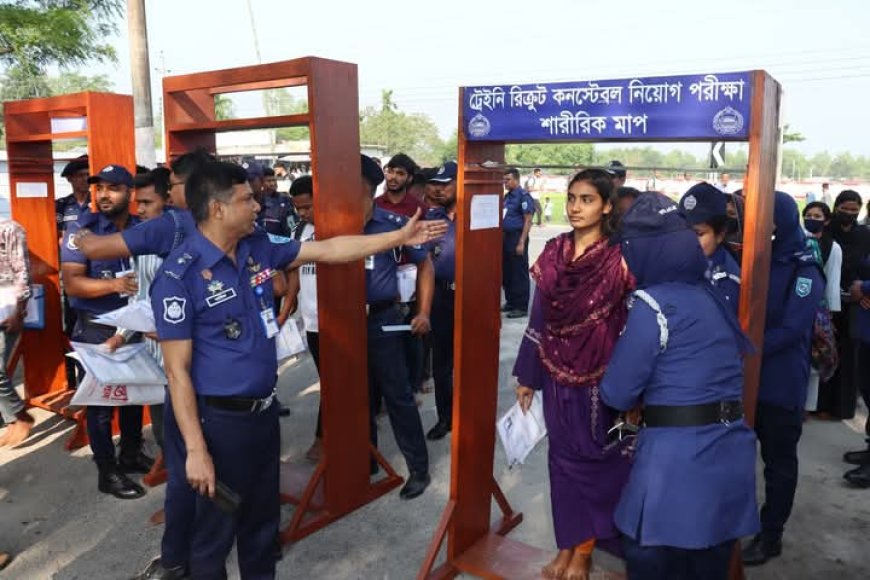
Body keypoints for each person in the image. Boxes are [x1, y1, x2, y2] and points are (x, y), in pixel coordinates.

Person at [150, 159, 443, 578]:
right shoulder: (179, 276)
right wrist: (196, 451)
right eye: (247, 199)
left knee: (261, 524)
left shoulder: (257, 246)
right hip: (216, 423)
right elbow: (177, 373)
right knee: (212, 534)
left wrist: (397, 237)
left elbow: (330, 250)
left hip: (263, 414)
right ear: (217, 208)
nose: (257, 205)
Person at [600, 191, 759, 580]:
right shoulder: (708, 292)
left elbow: (617, 392)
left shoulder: (653, 304)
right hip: (728, 451)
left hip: (676, 461)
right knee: (707, 563)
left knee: (651, 557)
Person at [514, 169, 633, 580]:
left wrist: (635, 387)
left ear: (607, 206)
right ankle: (567, 545)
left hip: (600, 374)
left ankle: (584, 552)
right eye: (572, 198)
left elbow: (633, 320)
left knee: (594, 461)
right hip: (553, 370)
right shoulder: (554, 251)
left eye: (587, 199)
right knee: (560, 461)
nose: (575, 207)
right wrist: (527, 375)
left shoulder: (619, 258)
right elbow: (539, 315)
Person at [742, 192, 825, 567]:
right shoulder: (753, 256)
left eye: (767, 218)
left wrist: (742, 348)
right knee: (734, 456)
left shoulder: (804, 268)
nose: (760, 225)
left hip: (779, 382)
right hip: (744, 380)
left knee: (778, 463)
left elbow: (793, 328)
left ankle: (770, 535)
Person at [61, 164, 153, 499]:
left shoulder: (143, 227)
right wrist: (114, 285)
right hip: (97, 329)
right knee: (101, 404)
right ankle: (107, 470)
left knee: (132, 396)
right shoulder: (82, 231)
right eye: (99, 188)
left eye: (113, 188)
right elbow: (72, 283)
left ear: (130, 192)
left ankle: (130, 453)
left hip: (135, 326)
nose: (103, 195)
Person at [361, 156, 433, 498]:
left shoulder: (394, 224)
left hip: (382, 319)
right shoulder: (330, 225)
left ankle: (418, 468)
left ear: (366, 188)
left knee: (398, 396)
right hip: (342, 321)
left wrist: (424, 312)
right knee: (355, 396)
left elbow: (425, 265)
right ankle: (366, 461)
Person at [817, 190, 870, 420]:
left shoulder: (865, 235)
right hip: (827, 301)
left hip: (855, 304)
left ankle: (841, 407)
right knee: (825, 350)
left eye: (853, 210)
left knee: (849, 357)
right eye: (844, 209)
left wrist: (864, 291)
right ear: (836, 208)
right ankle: (820, 404)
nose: (849, 214)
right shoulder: (826, 231)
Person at [424, 163, 458, 441]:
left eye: (445, 184)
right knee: (442, 363)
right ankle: (445, 417)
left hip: (470, 296)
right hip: (440, 296)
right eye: (435, 184)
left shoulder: (478, 215)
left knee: (471, 361)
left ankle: (468, 416)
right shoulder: (431, 218)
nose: (438, 189)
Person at [801, 201, 842, 414]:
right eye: (809, 215)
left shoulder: (833, 247)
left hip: (819, 308)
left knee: (816, 356)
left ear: (826, 221)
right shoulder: (797, 241)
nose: (812, 219)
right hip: (798, 304)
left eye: (817, 216)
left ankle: (808, 407)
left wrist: (829, 313)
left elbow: (833, 281)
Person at [679, 183, 741, 313]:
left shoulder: (725, 282)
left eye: (698, 234)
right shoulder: (681, 261)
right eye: (683, 231)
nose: (688, 240)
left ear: (720, 235)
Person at [0, 218, 34, 447]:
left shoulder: (10, 229)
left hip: (7, 306)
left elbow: (22, 271)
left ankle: (21, 416)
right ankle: (12, 421)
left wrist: (19, 311)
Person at [502, 167, 534, 318]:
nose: (505, 182)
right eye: (504, 180)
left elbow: (528, 220)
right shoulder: (507, 197)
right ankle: (511, 302)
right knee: (507, 271)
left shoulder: (523, 196)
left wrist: (521, 242)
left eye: (508, 180)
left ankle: (521, 306)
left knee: (519, 272)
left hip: (517, 237)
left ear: (516, 179)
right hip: (505, 237)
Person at [56, 155, 92, 235]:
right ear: (69, 178)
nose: (86, 179)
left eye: (88, 175)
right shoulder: (61, 205)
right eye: (81, 175)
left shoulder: (98, 203)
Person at [258, 166, 295, 237]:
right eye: (269, 181)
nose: (273, 183)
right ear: (261, 183)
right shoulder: (257, 200)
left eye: (274, 180)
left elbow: (292, 223)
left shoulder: (285, 199)